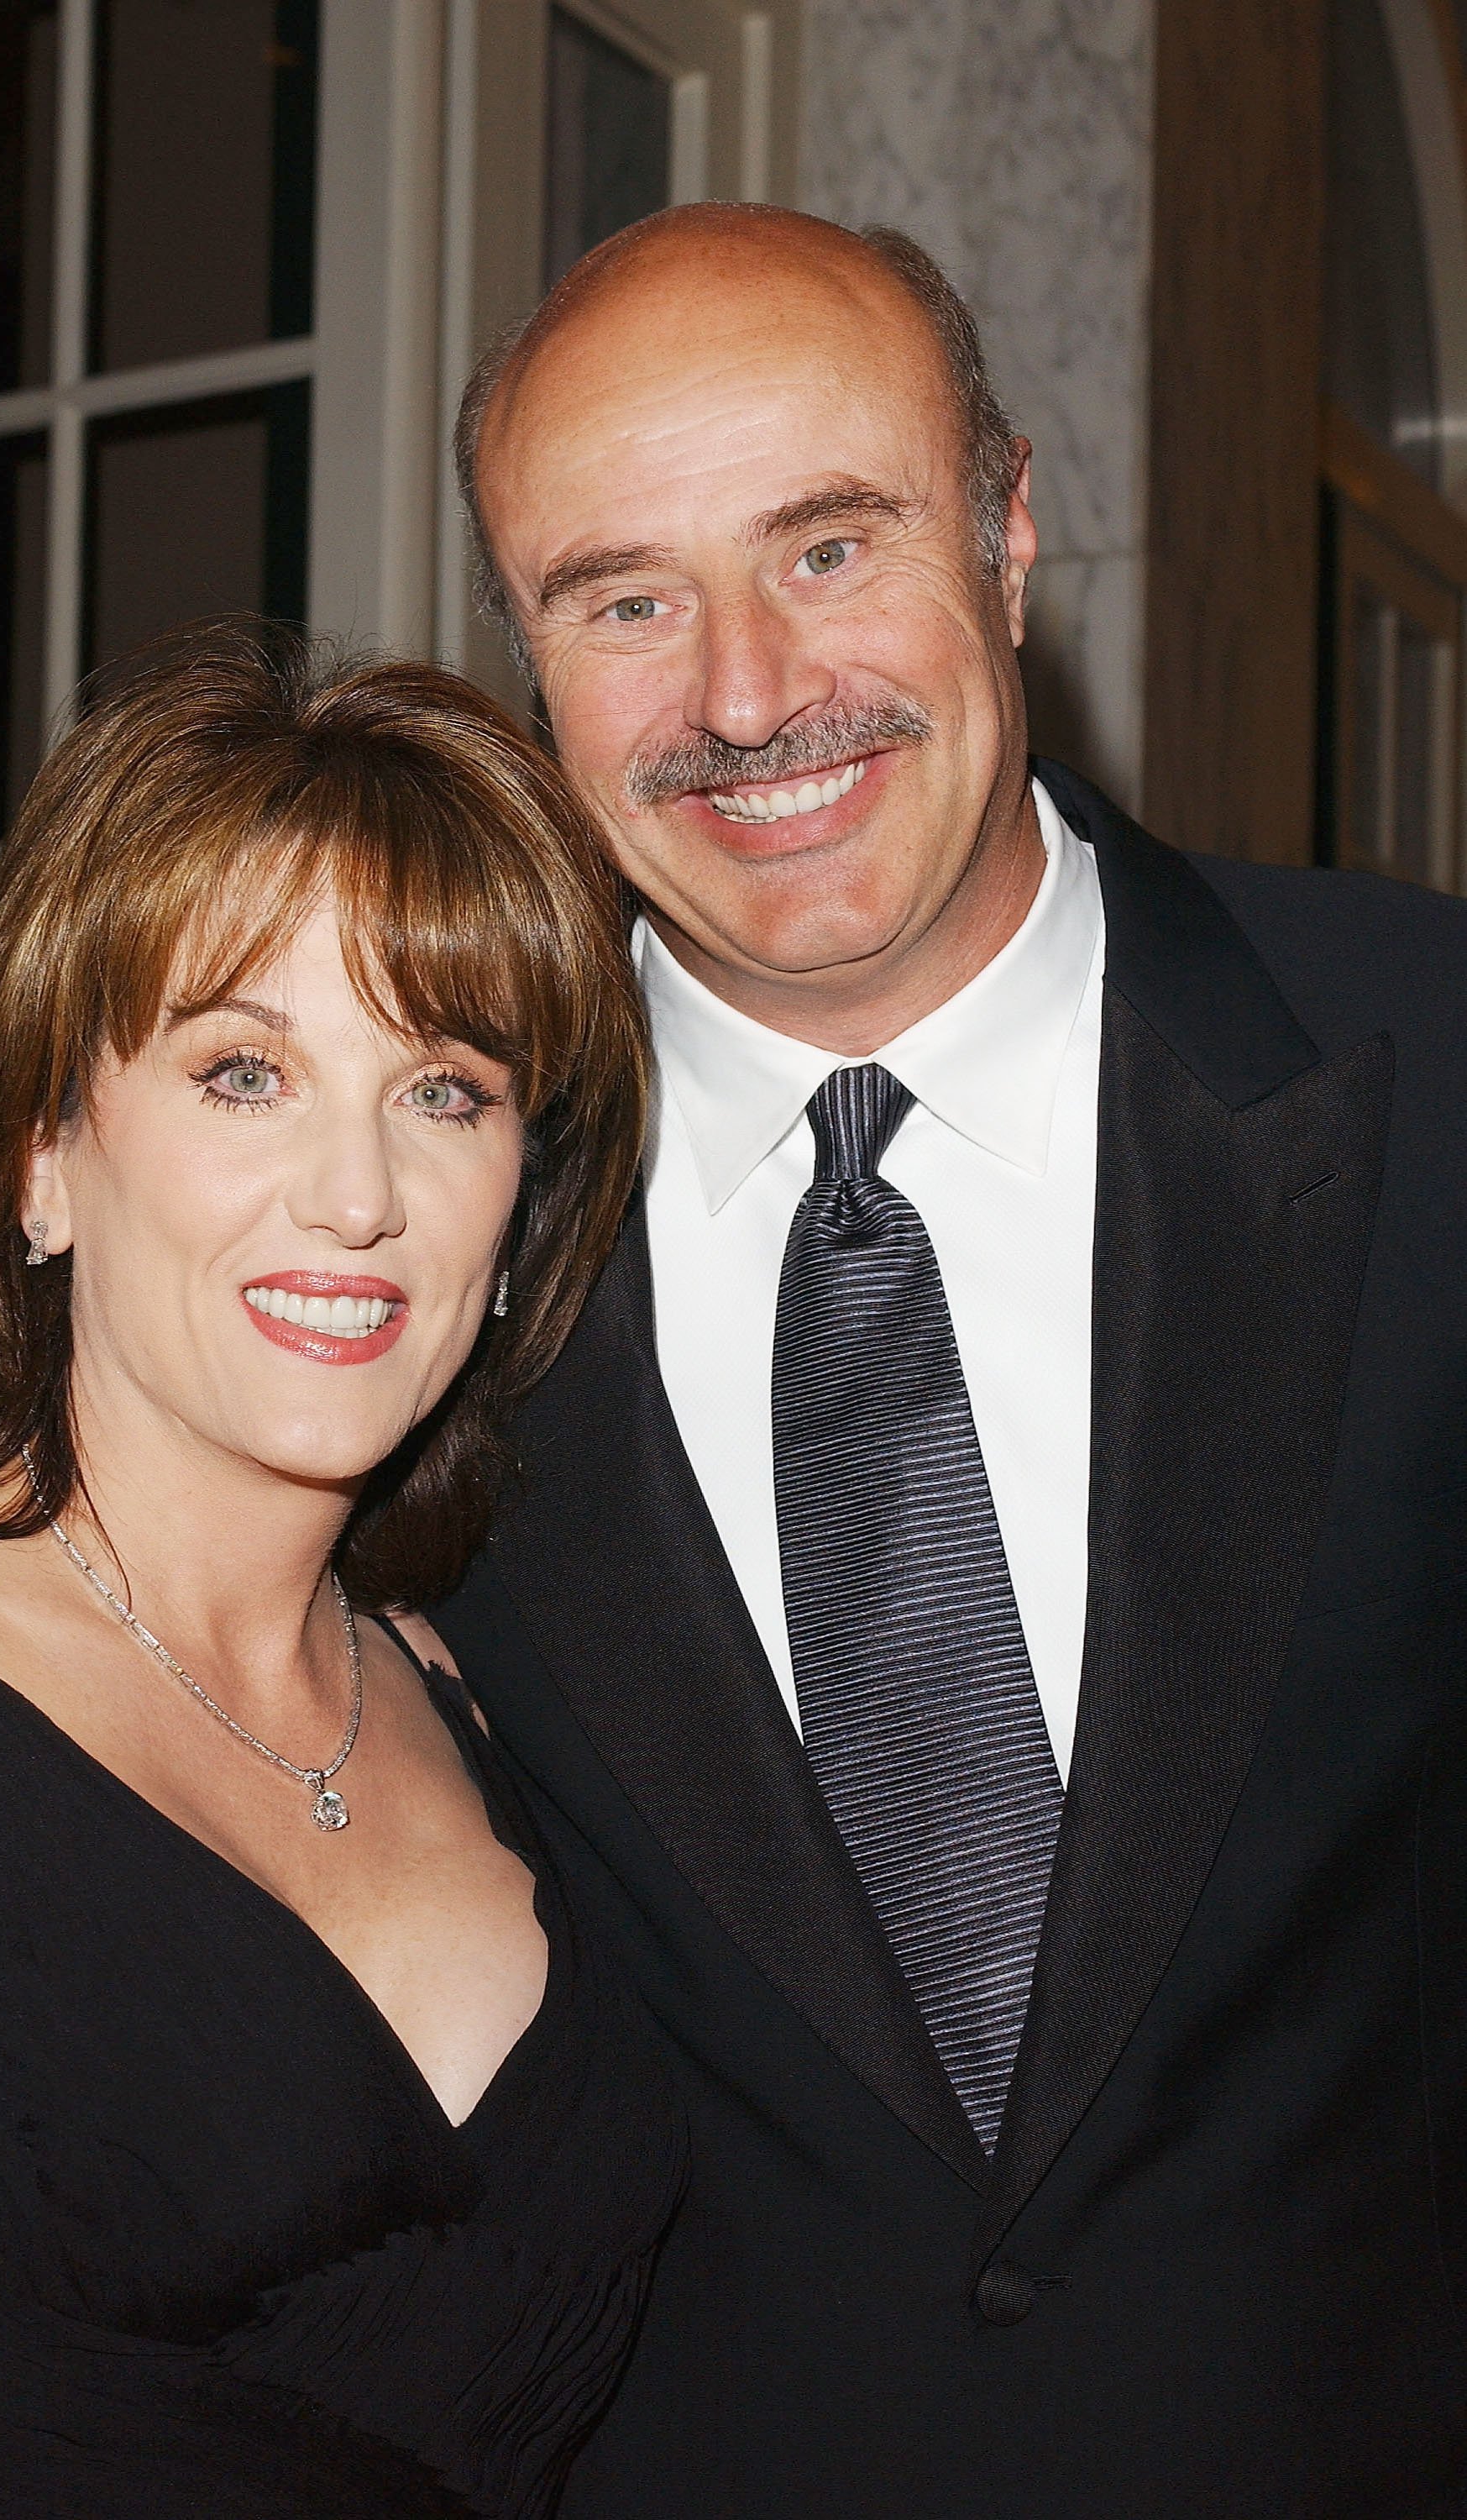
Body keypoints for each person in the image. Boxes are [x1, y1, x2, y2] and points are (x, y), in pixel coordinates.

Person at [432, 201, 1467, 2516]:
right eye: (620, 599)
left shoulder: (1433, 1070)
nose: (737, 692)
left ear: (1005, 536)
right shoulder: (409, 1238)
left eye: (826, 544)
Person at [0, 622, 681, 2519]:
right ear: (41, 1156)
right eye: (241, 1072)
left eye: (444, 1089)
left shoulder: (476, 1689)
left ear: (519, 1207)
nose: (356, 1193)